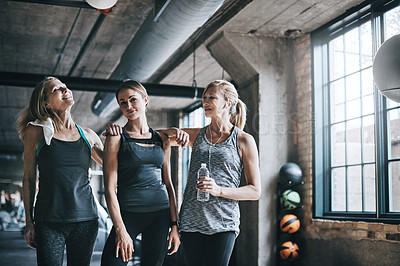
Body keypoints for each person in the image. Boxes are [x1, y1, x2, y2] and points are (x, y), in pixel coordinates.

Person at [17, 77, 104, 266]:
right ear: (46, 104)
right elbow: (29, 179)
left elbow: (114, 166)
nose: (65, 90)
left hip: (86, 219)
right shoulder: (35, 132)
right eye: (57, 89)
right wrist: (29, 222)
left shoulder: (88, 135)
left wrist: (117, 138)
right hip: (49, 220)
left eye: (66, 87)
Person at [178, 80, 261, 266]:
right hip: (191, 221)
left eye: (212, 98)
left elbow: (255, 191)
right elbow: (154, 136)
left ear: (228, 103)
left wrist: (219, 190)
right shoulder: (195, 135)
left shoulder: (244, 140)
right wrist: (176, 132)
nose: (205, 102)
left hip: (223, 223)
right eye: (204, 98)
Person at [101, 80, 182, 266]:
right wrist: (120, 230)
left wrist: (175, 226)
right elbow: (109, 189)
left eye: (132, 99)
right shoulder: (116, 137)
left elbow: (168, 184)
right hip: (128, 214)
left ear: (145, 100)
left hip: (160, 215)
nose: (128, 106)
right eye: (123, 102)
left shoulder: (162, 138)